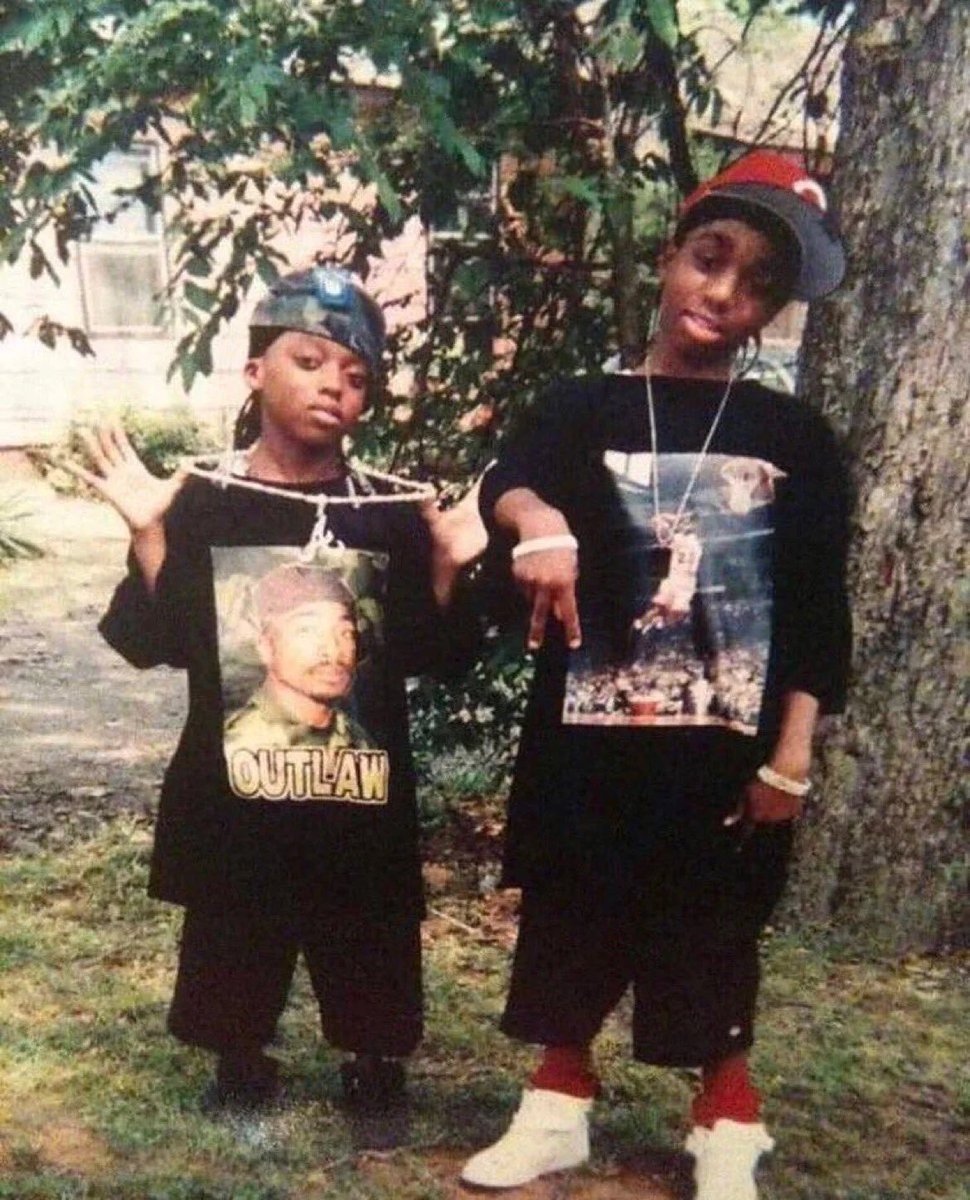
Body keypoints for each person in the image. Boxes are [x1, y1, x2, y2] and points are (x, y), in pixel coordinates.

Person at [460, 151, 852, 1200]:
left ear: (770, 311)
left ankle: (728, 1125)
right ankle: (555, 1109)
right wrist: (537, 519)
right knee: (571, 916)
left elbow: (818, 606)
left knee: (714, 930)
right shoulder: (581, 406)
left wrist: (792, 758)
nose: (721, 294)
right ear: (673, 254)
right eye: (708, 259)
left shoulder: (792, 435)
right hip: (587, 734)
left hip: (723, 744)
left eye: (755, 284)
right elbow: (507, 480)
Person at [70, 266, 485, 1116]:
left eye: (356, 375)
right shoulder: (204, 502)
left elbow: (431, 654)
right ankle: (239, 1056)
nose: (334, 385)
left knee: (369, 925)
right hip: (237, 788)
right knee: (235, 915)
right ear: (256, 371)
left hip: (360, 788)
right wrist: (150, 535)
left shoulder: (389, 511)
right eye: (310, 361)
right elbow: (160, 644)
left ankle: (375, 1059)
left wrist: (445, 565)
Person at [223, 563, 375, 759]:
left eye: (345, 632)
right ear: (266, 647)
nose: (333, 651)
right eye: (307, 631)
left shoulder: (359, 740)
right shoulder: (239, 744)